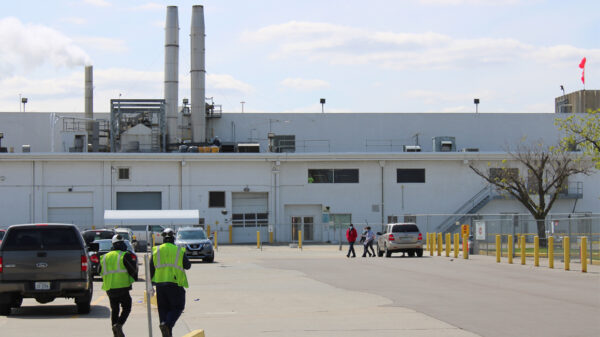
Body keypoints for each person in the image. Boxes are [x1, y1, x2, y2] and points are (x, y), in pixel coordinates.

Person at [150, 228, 192, 337]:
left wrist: (151, 285)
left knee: (163, 310)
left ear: (163, 239)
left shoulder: (156, 250)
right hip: (175, 284)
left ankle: (166, 328)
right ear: (173, 238)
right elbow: (188, 266)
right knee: (178, 307)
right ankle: (167, 325)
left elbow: (151, 268)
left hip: (160, 284)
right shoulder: (178, 250)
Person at [100, 234, 138, 337]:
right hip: (122, 287)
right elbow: (133, 270)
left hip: (109, 288)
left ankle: (115, 333)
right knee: (127, 307)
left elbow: (100, 271)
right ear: (121, 244)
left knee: (115, 310)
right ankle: (119, 325)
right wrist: (134, 278)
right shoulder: (124, 255)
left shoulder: (104, 257)